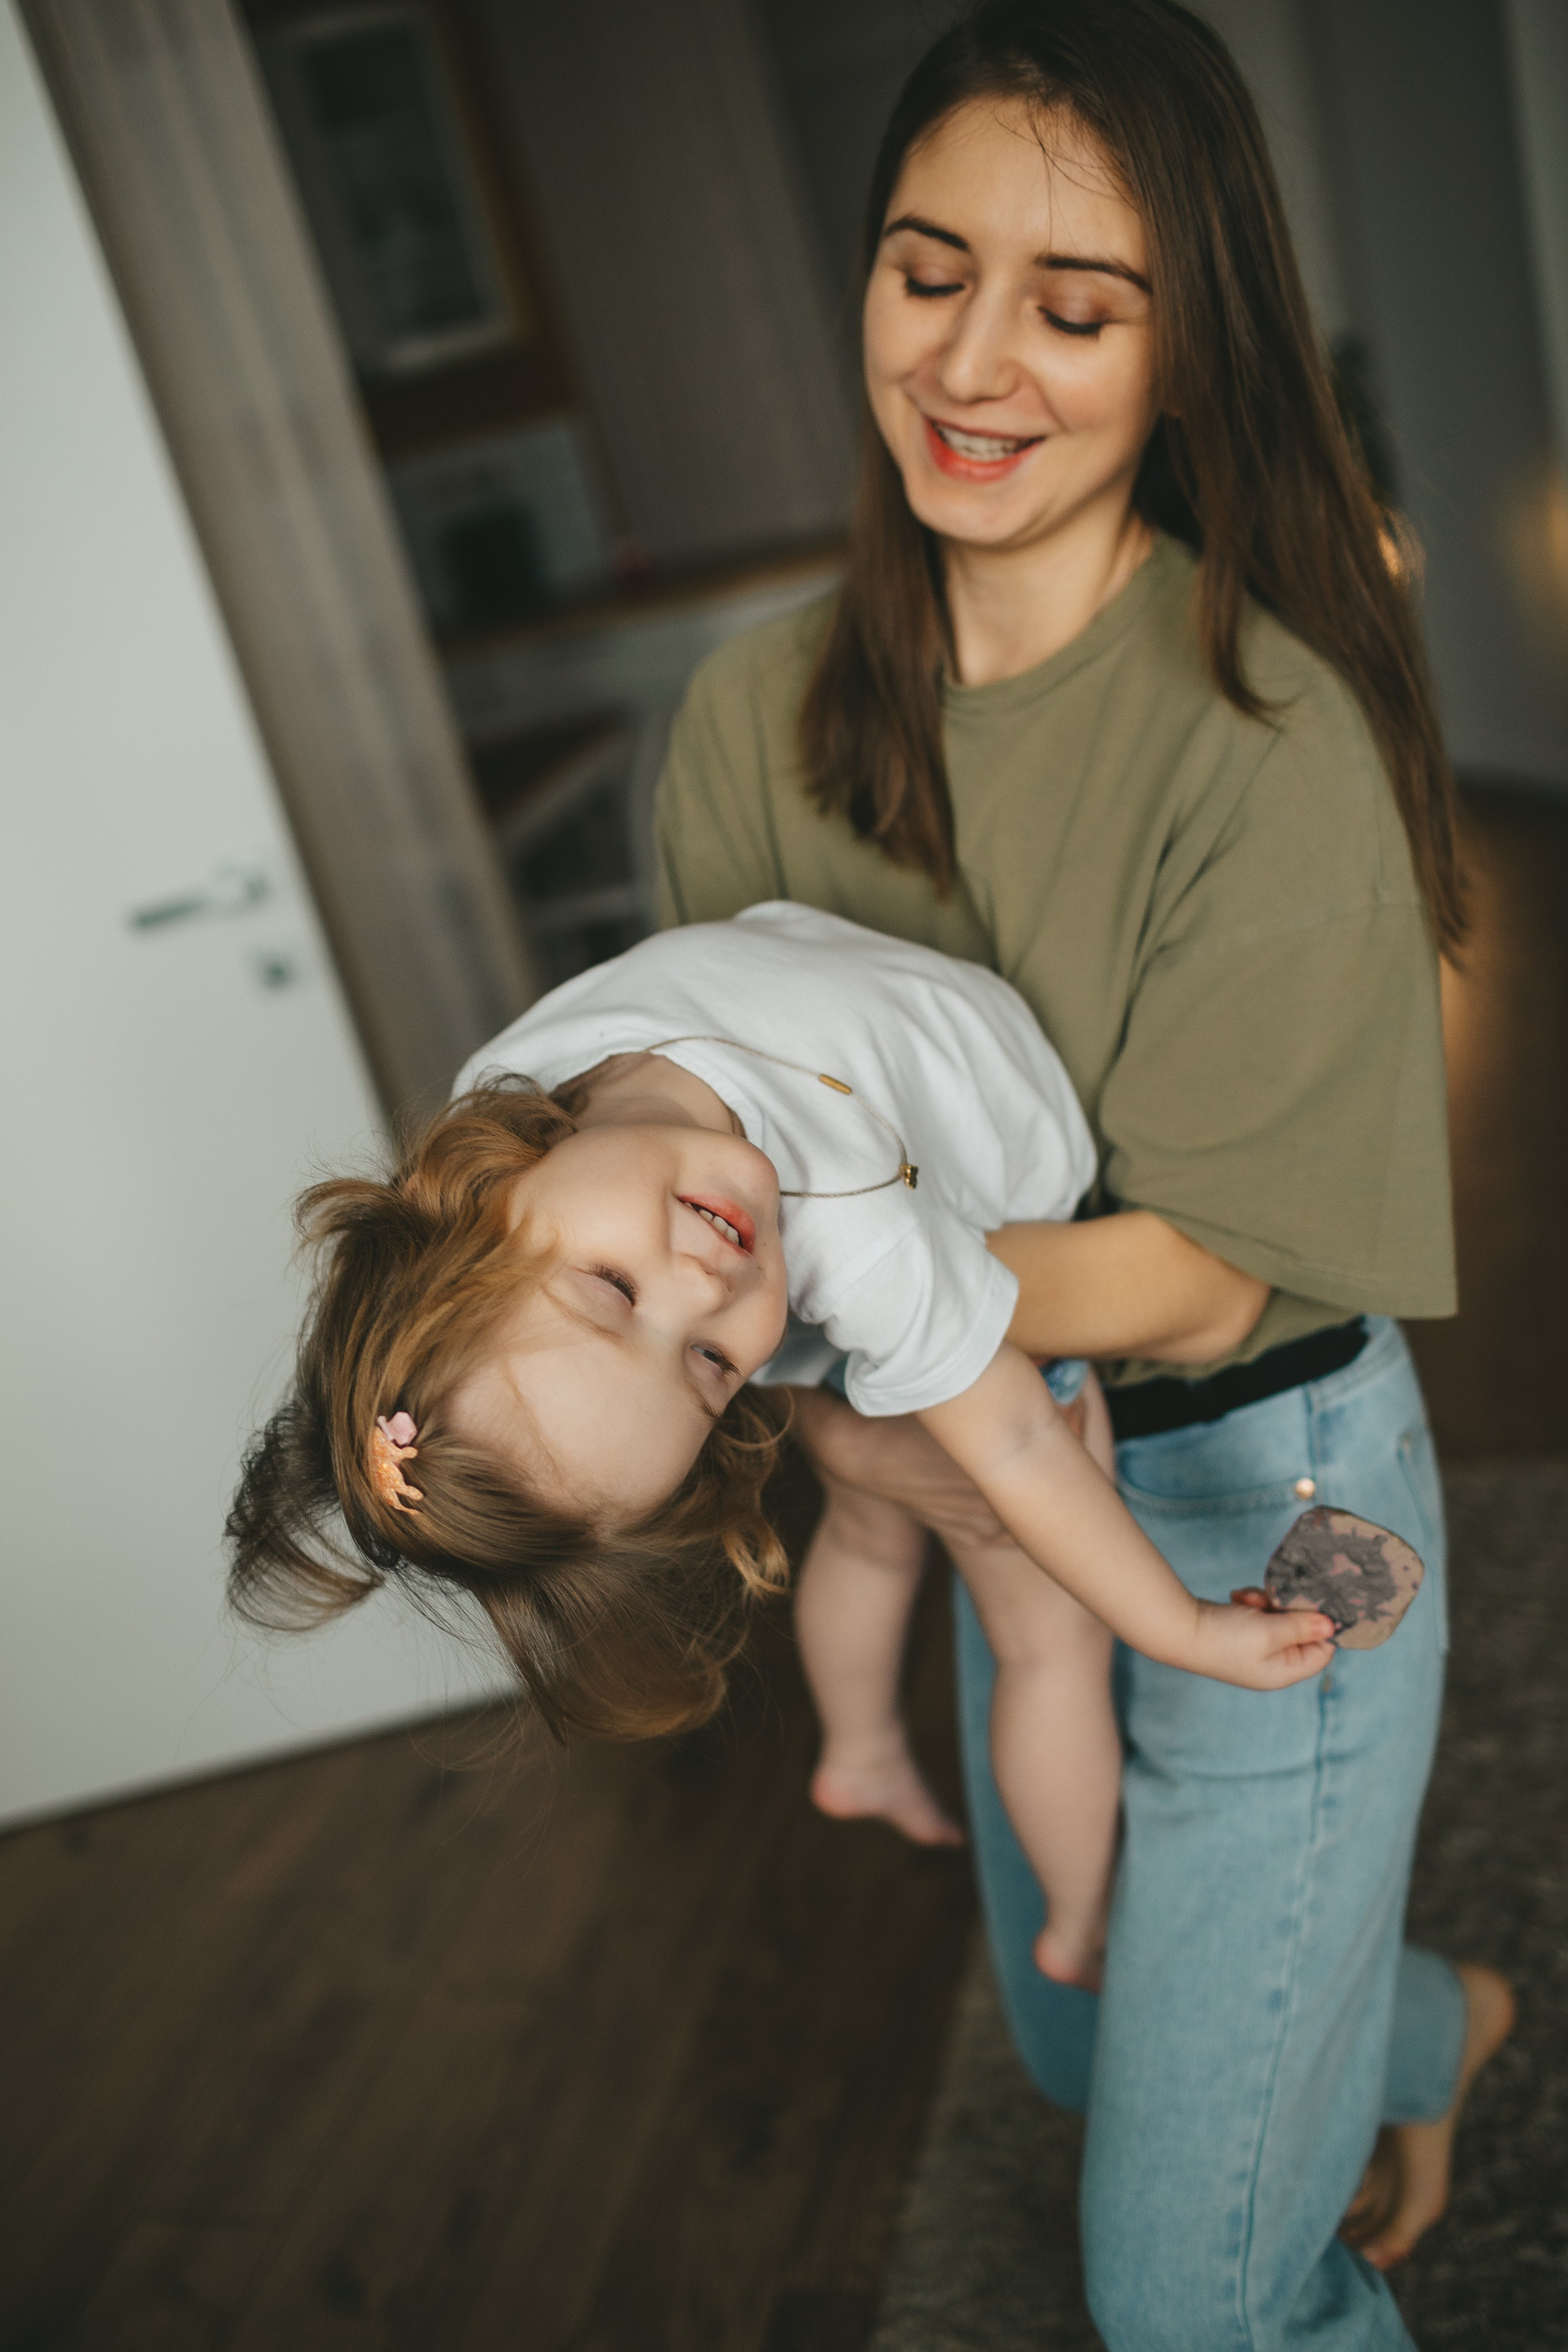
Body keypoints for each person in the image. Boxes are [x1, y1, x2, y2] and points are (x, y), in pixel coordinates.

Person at [651, 0, 1513, 2340]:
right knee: (1070, 2016)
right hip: (973, 1471)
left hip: (1267, 1495)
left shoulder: (1267, 735)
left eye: (1079, 305)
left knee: (1189, 2300)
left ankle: (1324, 2020)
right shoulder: (755, 712)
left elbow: (1217, 1283)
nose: (977, 360)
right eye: (929, 271)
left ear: (1184, 344)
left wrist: (811, 1285)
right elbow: (688, 1141)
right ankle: (1419, 2022)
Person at [227, 902, 1341, 1996]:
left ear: (479, 1196)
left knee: (867, 1527)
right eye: (714, 1368)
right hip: (971, 1266)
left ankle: (859, 1750)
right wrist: (1182, 1626)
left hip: (875, 1295)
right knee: (1055, 1646)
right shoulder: (853, 1236)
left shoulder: (515, 1082)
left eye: (613, 1292)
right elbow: (1006, 1439)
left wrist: (748, 1365)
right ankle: (1081, 1916)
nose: (704, 1289)